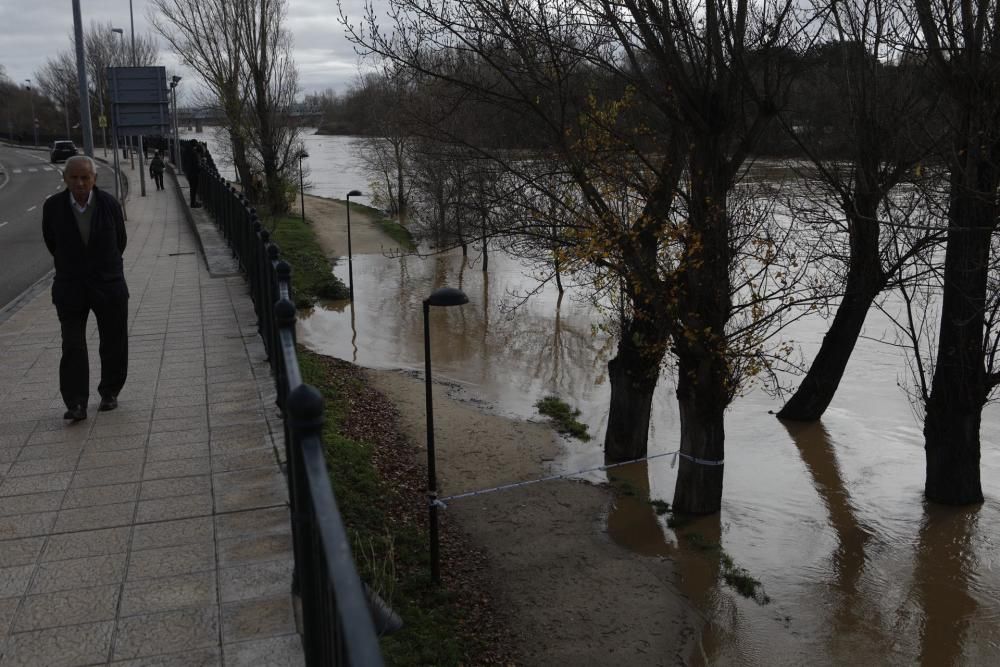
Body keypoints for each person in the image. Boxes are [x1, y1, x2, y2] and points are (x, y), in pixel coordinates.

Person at [42, 156, 129, 421]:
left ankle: (110, 392)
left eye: (85, 178)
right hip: (71, 287)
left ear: (94, 179)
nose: (79, 183)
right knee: (73, 345)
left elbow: (120, 241)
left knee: (113, 341)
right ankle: (76, 402)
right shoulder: (54, 207)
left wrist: (104, 269)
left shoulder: (109, 204)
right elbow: (52, 242)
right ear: (65, 179)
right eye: (74, 178)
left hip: (108, 284)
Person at [188, 143, 203, 207]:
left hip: (190, 174)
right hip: (194, 175)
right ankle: (193, 203)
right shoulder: (196, 155)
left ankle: (193, 202)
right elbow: (197, 166)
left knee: (192, 189)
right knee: (193, 189)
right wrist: (201, 166)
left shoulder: (193, 154)